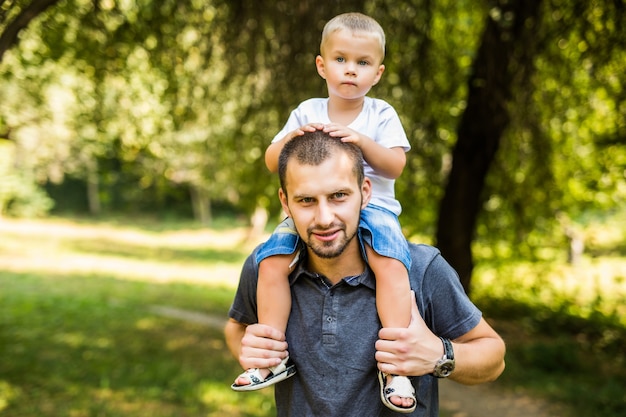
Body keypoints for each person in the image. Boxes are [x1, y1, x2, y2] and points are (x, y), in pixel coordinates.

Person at [225, 130, 506, 417]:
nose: (324, 219)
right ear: (285, 202)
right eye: (307, 200)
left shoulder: (421, 267)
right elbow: (236, 328)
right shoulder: (266, 266)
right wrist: (251, 352)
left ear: (365, 192)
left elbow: (493, 357)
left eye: (338, 196)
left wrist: (439, 355)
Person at [231, 12, 415, 411]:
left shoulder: (380, 114)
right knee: (271, 260)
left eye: (362, 63)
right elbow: (272, 159)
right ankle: (273, 355)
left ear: (378, 73)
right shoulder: (307, 110)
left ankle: (395, 364)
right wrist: (291, 139)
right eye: (341, 60)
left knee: (391, 264)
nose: (350, 70)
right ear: (321, 64)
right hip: (315, 210)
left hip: (374, 208)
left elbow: (395, 165)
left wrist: (361, 142)